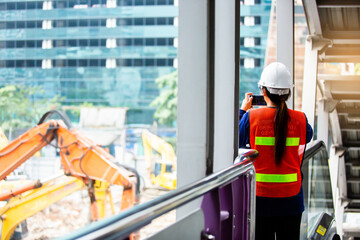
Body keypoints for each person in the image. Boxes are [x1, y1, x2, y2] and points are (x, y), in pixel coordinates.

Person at [239, 62, 313, 240]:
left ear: (263, 91)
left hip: (260, 201)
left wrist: (243, 111)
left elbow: (238, 138)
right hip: (292, 200)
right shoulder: (301, 119)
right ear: (288, 93)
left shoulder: (251, 117)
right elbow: (308, 135)